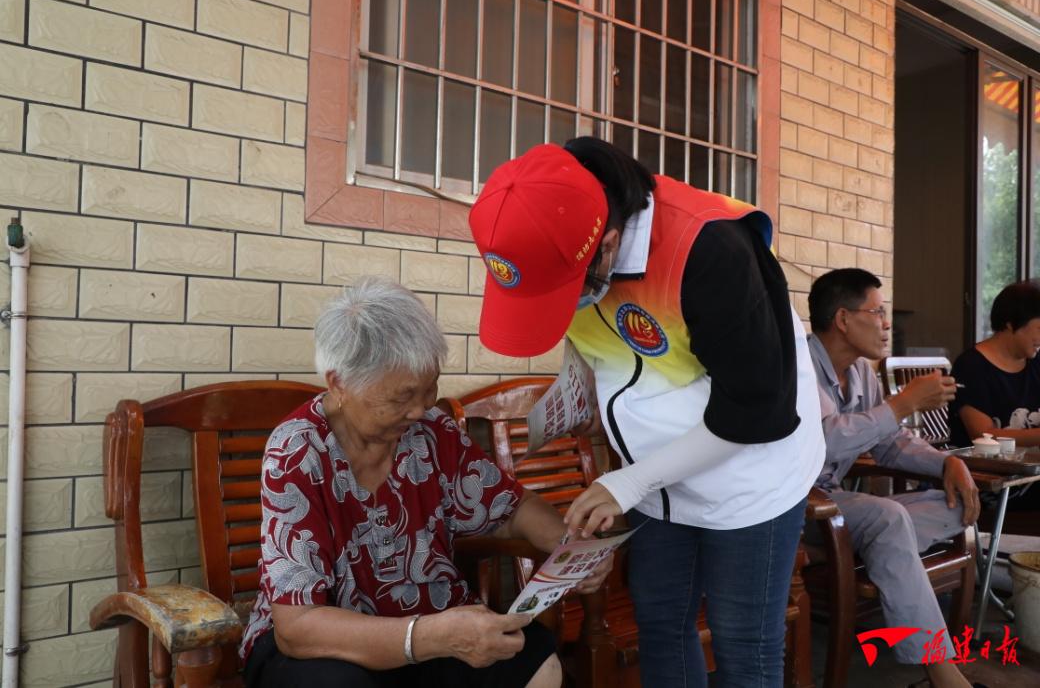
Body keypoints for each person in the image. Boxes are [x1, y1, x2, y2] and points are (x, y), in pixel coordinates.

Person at [467, 138, 826, 688]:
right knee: (661, 626)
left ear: (609, 243)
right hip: (654, 483)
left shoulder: (709, 247)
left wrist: (629, 482)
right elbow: (600, 337)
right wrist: (588, 398)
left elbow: (755, 407)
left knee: (743, 646)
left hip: (749, 478)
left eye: (570, 288)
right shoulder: (557, 229)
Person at [239, 277, 611, 688]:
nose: (419, 410)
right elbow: (297, 626)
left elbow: (511, 508)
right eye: (401, 397)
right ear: (339, 384)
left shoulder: (433, 431)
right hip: (330, 645)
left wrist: (570, 547)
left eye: (429, 389)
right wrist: (431, 637)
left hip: (433, 622)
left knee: (532, 657)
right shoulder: (297, 451)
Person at [806, 268, 981, 688]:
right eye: (878, 312)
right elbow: (822, 443)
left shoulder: (861, 372)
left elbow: (889, 443)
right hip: (799, 507)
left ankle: (880, 552)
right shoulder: (799, 366)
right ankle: (942, 672)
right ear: (843, 318)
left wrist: (946, 464)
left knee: (956, 505)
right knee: (887, 517)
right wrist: (901, 404)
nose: (887, 324)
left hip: (842, 508)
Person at [950, 280, 1040, 448]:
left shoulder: (1036, 362)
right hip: (983, 463)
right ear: (1011, 324)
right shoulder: (971, 367)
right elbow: (983, 435)